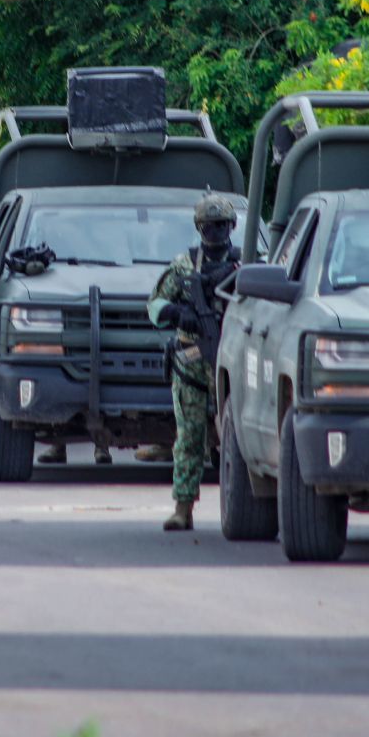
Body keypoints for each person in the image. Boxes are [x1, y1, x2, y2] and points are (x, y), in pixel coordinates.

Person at [147, 193, 239, 531]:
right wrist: (178, 313)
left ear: (232, 226)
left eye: (220, 226)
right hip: (191, 363)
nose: (215, 233)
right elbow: (154, 305)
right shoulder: (183, 265)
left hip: (233, 364)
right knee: (188, 439)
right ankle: (183, 507)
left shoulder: (246, 265)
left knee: (240, 438)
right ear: (198, 228)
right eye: (208, 227)